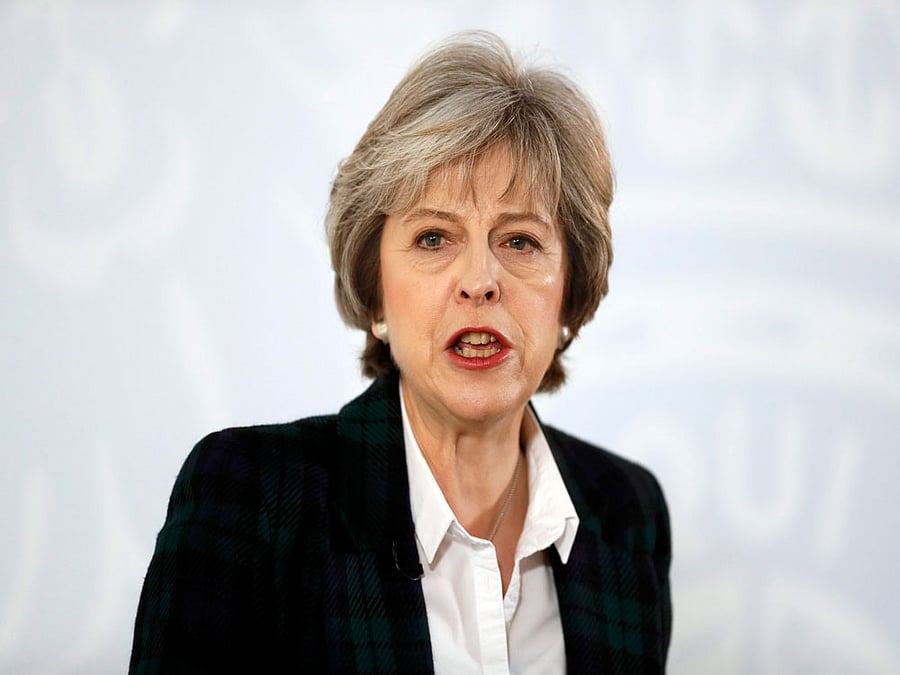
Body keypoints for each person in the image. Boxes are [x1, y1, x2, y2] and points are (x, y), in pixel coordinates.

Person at [129, 30, 671, 674]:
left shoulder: (628, 514)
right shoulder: (252, 499)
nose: (480, 280)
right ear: (376, 293)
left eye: (521, 241)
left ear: (570, 296)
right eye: (434, 238)